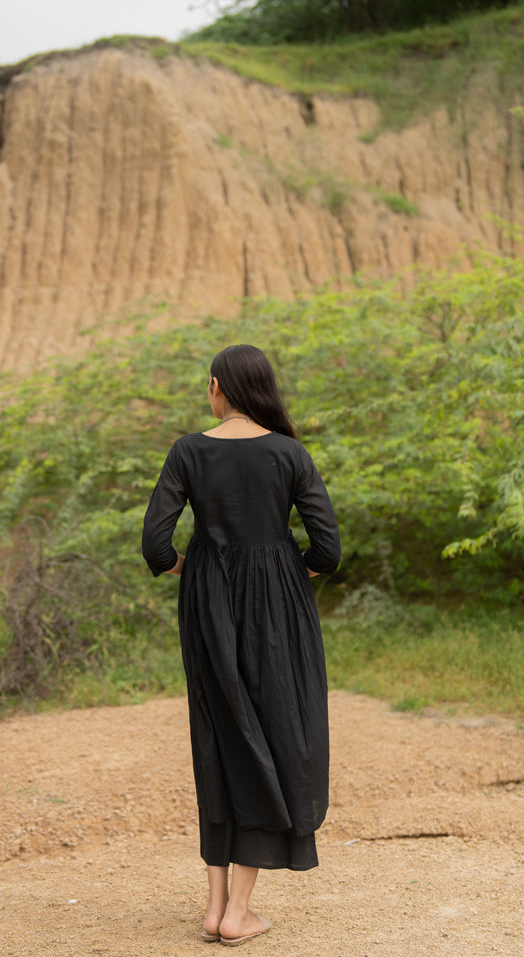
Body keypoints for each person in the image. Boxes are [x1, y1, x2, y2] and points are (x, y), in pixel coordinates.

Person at [141, 344, 340, 946]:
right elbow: (328, 549)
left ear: (216, 388)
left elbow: (154, 544)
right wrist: (292, 566)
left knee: (220, 732)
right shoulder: (288, 452)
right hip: (276, 603)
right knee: (275, 730)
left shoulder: (188, 450)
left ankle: (215, 907)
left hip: (207, 599)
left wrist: (183, 564)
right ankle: (238, 914)